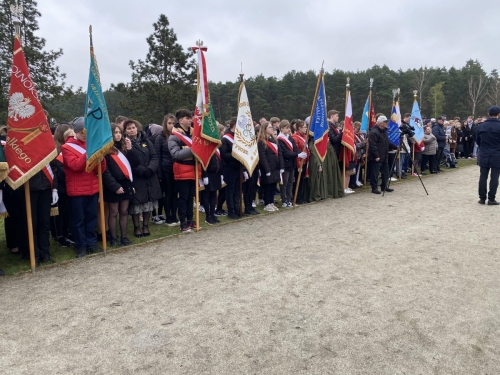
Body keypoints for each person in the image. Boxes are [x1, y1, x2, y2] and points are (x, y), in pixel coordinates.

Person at [62, 117, 106, 258]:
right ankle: (80, 245)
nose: (84, 134)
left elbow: (100, 170)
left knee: (91, 217)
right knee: (79, 219)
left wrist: (101, 159)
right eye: (81, 132)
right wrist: (88, 153)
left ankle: (91, 243)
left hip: (92, 188)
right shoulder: (67, 147)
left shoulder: (90, 144)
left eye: (87, 131)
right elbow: (75, 166)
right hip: (77, 190)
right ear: (75, 131)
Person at [124, 119, 162, 237]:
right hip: (137, 177)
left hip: (150, 176)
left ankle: (145, 225)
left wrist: (150, 169)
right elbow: (128, 161)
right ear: (125, 131)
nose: (132, 130)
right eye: (129, 128)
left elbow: (155, 156)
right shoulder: (125, 143)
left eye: (133, 127)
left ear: (137, 128)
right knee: (137, 203)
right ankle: (136, 227)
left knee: (148, 203)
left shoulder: (146, 140)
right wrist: (141, 170)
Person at [168, 109, 201, 232]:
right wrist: (192, 149)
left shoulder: (193, 133)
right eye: (187, 118)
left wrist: (188, 148)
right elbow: (175, 154)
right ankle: (183, 222)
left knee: (191, 197)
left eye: (190, 118)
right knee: (183, 197)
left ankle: (190, 220)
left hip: (194, 169)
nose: (190, 120)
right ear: (181, 120)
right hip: (182, 170)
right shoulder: (174, 136)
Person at [102, 124, 134, 246]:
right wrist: (115, 186)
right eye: (115, 132)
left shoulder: (123, 147)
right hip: (113, 185)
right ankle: (114, 238)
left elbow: (132, 165)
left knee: (124, 211)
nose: (118, 135)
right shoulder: (106, 150)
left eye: (119, 132)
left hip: (125, 182)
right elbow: (105, 171)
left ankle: (124, 236)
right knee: (114, 212)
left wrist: (130, 149)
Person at [155, 114, 179, 227]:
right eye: (169, 123)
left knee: (175, 193)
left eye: (173, 123)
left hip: (177, 169)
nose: (171, 125)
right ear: (165, 124)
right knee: (168, 194)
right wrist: (159, 173)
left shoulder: (178, 135)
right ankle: (168, 216)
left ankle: (175, 215)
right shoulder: (160, 137)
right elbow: (157, 156)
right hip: (165, 169)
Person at [277, 120, 306, 207]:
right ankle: (284, 200)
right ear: (281, 129)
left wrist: (300, 153)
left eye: (289, 127)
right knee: (284, 183)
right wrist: (297, 154)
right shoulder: (280, 139)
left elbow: (295, 149)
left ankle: (289, 199)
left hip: (292, 164)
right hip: (285, 164)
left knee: (290, 183)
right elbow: (285, 153)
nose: (289, 129)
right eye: (286, 128)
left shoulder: (290, 138)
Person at [476, 106, 500, 205]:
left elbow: (478, 141)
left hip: (484, 153)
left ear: (488, 114)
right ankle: (491, 198)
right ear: (499, 114)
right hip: (497, 153)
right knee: (494, 177)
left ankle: (482, 198)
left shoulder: (481, 126)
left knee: (483, 176)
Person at [258, 121, 284, 211]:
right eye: (269, 127)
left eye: (271, 127)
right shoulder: (261, 141)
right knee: (267, 186)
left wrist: (281, 166)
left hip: (276, 167)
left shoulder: (274, 140)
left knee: (273, 185)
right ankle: (267, 203)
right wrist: (267, 169)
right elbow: (263, 157)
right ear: (264, 129)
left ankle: (271, 202)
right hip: (268, 168)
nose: (271, 129)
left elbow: (279, 153)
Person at [368, 115, 398, 194]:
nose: (387, 123)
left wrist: (396, 147)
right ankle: (374, 188)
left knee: (386, 172)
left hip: (384, 156)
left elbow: (387, 142)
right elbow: (372, 145)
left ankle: (384, 186)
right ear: (381, 123)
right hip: (376, 156)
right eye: (385, 122)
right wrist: (376, 156)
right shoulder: (374, 132)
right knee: (375, 173)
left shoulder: (384, 131)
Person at [220, 117, 242, 220]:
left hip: (238, 167)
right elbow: (224, 154)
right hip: (229, 167)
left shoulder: (239, 137)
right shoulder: (226, 138)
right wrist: (235, 155)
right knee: (230, 190)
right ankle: (231, 210)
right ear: (234, 126)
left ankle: (237, 209)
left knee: (237, 190)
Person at [291, 120, 309, 204]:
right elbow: (297, 151)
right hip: (299, 162)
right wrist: (298, 165)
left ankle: (301, 196)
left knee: (301, 180)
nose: (306, 128)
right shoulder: (295, 137)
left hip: (304, 161)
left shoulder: (304, 136)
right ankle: (297, 197)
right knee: (297, 181)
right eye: (305, 127)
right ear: (299, 128)